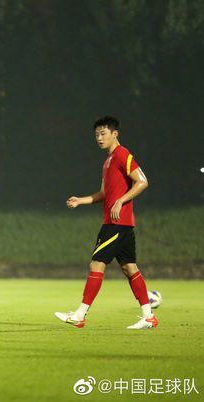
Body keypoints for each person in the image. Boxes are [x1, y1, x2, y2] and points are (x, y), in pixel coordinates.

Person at [55, 116, 156, 330]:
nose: (99, 138)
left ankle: (80, 315)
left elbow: (143, 181)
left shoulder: (122, 154)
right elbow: (103, 193)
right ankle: (148, 317)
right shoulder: (108, 160)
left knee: (96, 264)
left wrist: (121, 200)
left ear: (115, 134)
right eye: (96, 135)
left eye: (103, 133)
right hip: (121, 224)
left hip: (116, 223)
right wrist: (81, 200)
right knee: (129, 268)